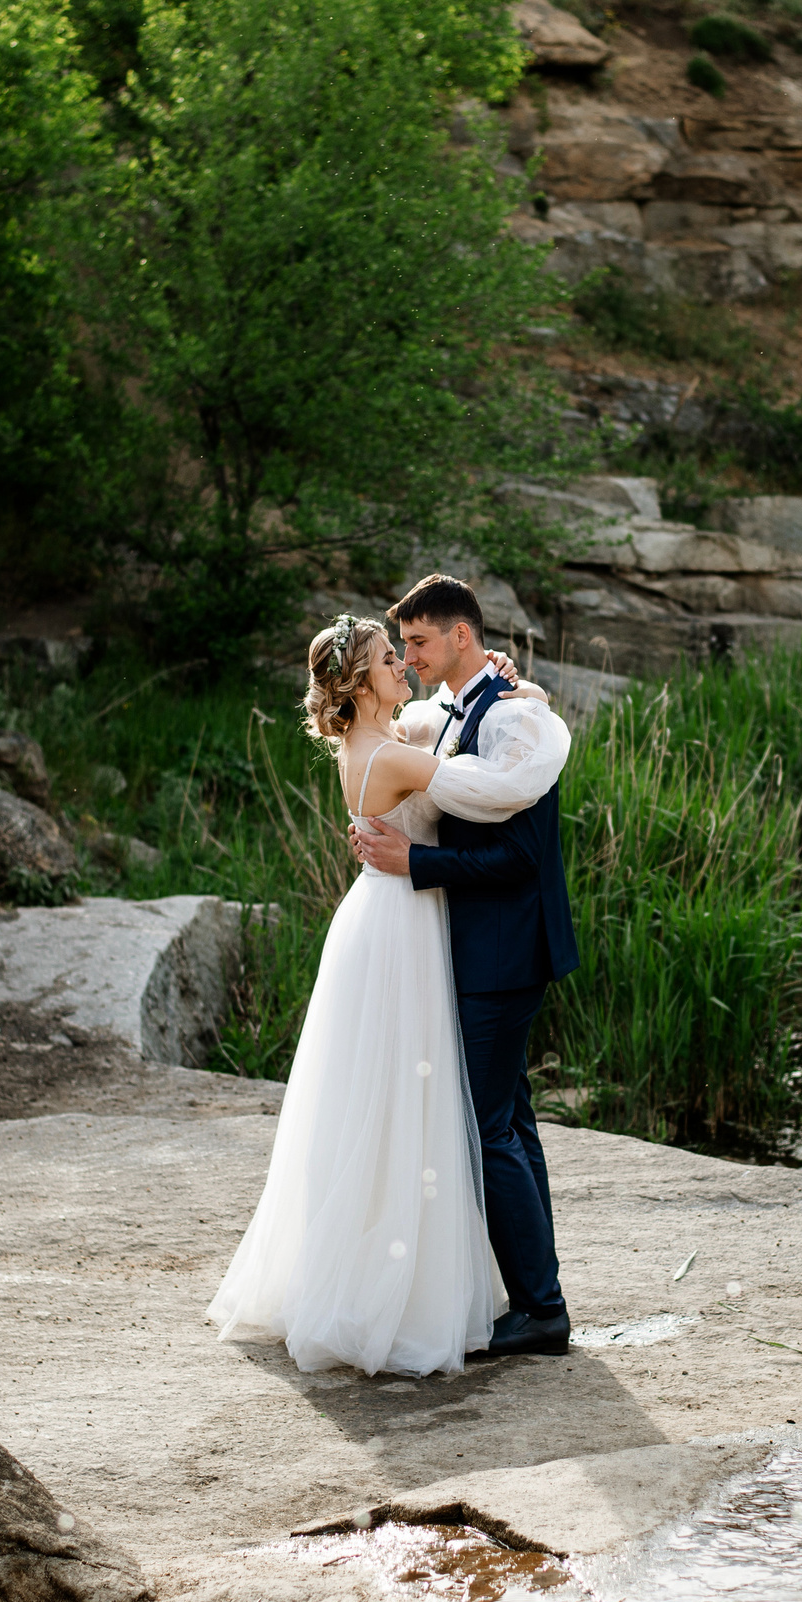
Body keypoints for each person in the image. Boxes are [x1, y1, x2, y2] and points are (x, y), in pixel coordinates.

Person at [204, 611, 560, 1376]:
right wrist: (539, 723)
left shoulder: (372, 744)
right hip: (403, 920)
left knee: (387, 1097)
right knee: (414, 1101)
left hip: (382, 913)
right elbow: (493, 786)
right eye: (388, 658)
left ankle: (395, 1279)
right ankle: (418, 1296)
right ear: (363, 681)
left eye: (405, 652)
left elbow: (438, 721)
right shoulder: (391, 760)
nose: (403, 664)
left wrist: (493, 688)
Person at [351, 574, 579, 1360]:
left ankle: (542, 1310)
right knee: (510, 1118)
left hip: (503, 948)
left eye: (418, 642)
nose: (410, 657)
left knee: (488, 1129)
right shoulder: (458, 710)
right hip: (488, 946)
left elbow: (518, 854)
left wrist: (415, 860)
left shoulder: (512, 718)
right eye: (402, 645)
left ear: (460, 636)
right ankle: (539, 1296)